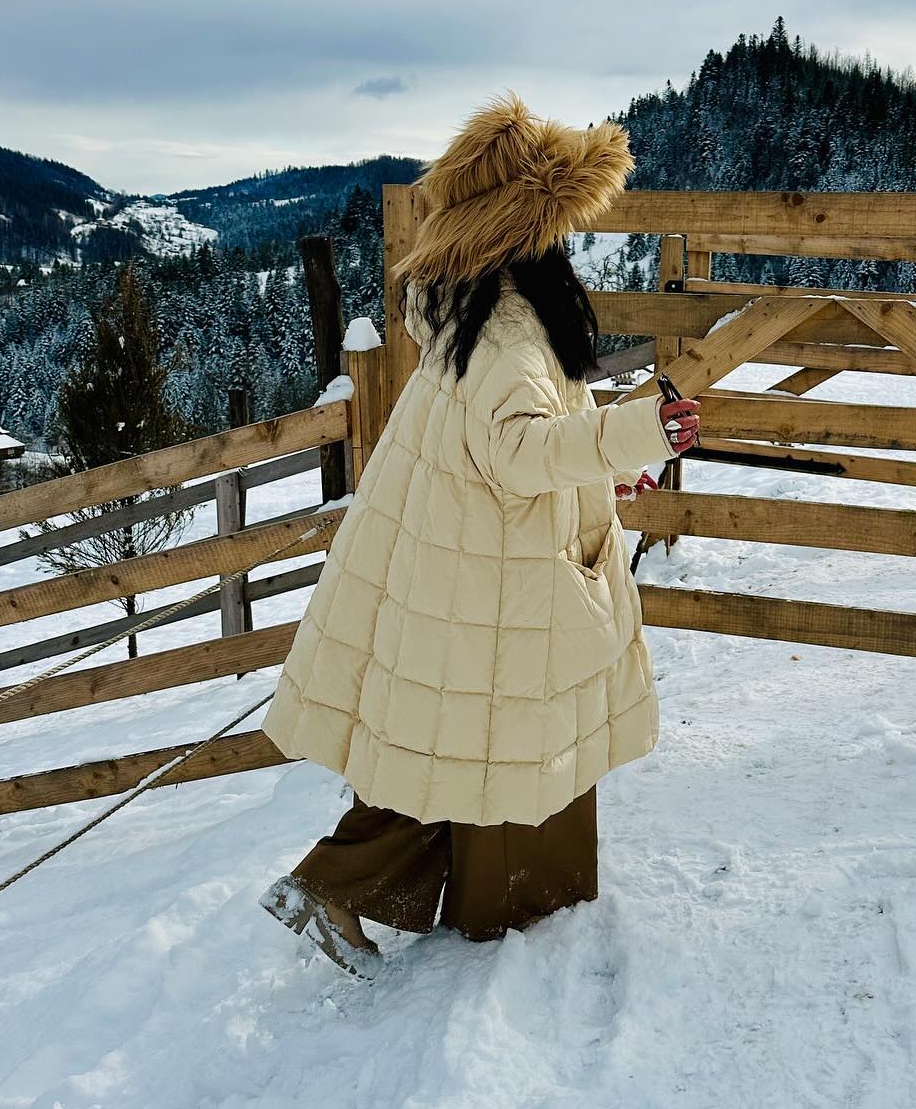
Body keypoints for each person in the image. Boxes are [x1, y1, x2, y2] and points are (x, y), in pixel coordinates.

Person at [259, 94, 701, 976]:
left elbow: (515, 440)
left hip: (469, 555)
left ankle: (341, 887)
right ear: (525, 230)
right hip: (496, 569)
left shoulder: (477, 310)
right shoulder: (505, 326)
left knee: (459, 737)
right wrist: (636, 432)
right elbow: (516, 449)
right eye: (558, 222)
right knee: (485, 738)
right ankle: (333, 887)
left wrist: (600, 466)